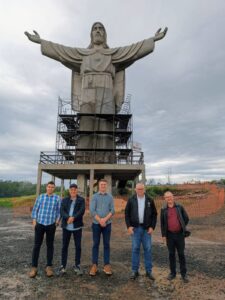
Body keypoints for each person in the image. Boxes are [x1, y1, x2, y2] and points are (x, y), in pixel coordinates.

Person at [24, 22, 167, 163]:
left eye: (101, 29)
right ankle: (82, 159)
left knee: (106, 127)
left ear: (105, 34)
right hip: (87, 94)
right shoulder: (82, 54)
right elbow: (61, 52)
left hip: (107, 92)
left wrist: (153, 39)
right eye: (95, 29)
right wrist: (41, 42)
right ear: (91, 34)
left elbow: (133, 51)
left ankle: (107, 159)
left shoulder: (113, 54)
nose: (98, 31)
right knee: (85, 126)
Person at [125, 183, 157, 280]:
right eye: (138, 189)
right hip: (135, 228)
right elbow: (127, 214)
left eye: (141, 189)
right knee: (135, 249)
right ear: (135, 189)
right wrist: (129, 226)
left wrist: (152, 227)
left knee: (148, 249)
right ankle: (135, 271)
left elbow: (155, 214)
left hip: (147, 229)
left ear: (144, 189)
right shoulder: (131, 200)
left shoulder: (150, 200)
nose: (140, 190)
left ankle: (148, 271)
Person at [29, 181, 61, 278]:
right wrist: (34, 221)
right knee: (37, 245)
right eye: (49, 187)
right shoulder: (41, 197)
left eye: (52, 187)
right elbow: (35, 209)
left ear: (54, 188)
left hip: (51, 225)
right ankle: (34, 267)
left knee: (50, 245)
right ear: (46, 187)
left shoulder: (57, 198)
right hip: (40, 224)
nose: (50, 188)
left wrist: (57, 222)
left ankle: (49, 267)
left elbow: (59, 211)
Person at [160, 191, 189, 283]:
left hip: (180, 235)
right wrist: (164, 235)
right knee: (171, 254)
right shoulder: (163, 209)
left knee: (181, 254)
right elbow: (162, 223)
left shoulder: (179, 207)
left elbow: (186, 218)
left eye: (170, 196)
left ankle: (184, 274)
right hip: (170, 235)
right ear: (165, 199)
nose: (169, 198)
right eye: (167, 197)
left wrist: (182, 227)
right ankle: (173, 273)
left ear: (173, 197)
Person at [58, 183, 85, 275]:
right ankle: (63, 266)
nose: (73, 191)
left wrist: (73, 218)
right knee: (64, 246)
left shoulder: (81, 200)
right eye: (71, 190)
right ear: (69, 191)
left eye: (75, 189)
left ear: (77, 190)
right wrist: (68, 217)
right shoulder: (64, 200)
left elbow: (81, 211)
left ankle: (77, 265)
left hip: (77, 226)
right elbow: (62, 211)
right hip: (66, 227)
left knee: (78, 247)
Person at [89, 179, 115, 276]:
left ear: (106, 186)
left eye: (104, 185)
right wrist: (100, 220)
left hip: (107, 224)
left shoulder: (110, 197)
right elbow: (92, 210)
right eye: (101, 185)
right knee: (96, 244)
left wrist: (105, 220)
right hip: (96, 224)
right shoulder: (94, 196)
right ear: (98, 186)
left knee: (106, 244)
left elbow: (112, 210)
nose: (103, 186)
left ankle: (106, 265)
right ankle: (94, 265)